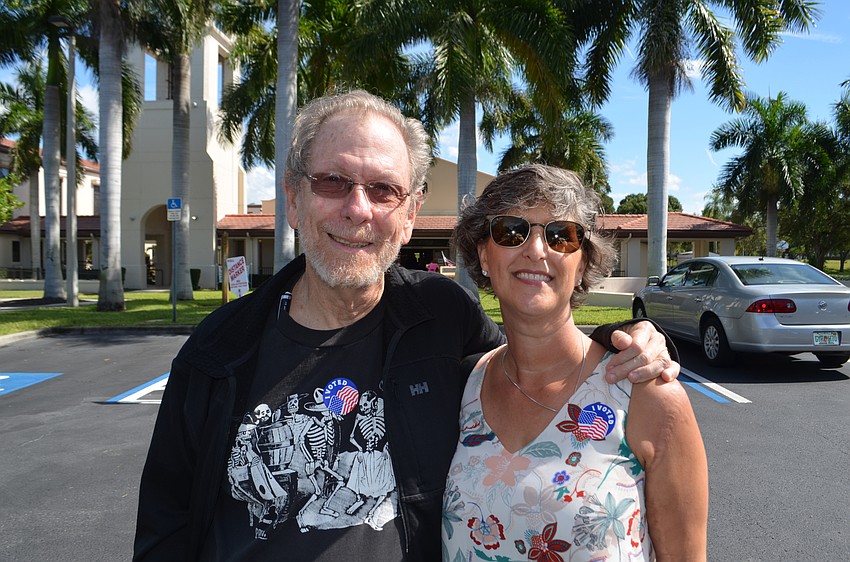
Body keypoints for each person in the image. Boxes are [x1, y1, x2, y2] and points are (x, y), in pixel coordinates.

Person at [133, 90, 680, 561]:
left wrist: (623, 341)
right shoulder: (218, 351)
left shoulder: (441, 317)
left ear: (411, 214)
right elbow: (166, 528)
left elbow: (535, 354)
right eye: (333, 182)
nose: (358, 209)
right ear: (294, 200)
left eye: (383, 190)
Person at [442, 165, 708, 561]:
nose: (536, 250)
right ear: (483, 254)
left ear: (582, 263)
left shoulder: (646, 395)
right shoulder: (465, 387)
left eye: (560, 235)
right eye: (511, 231)